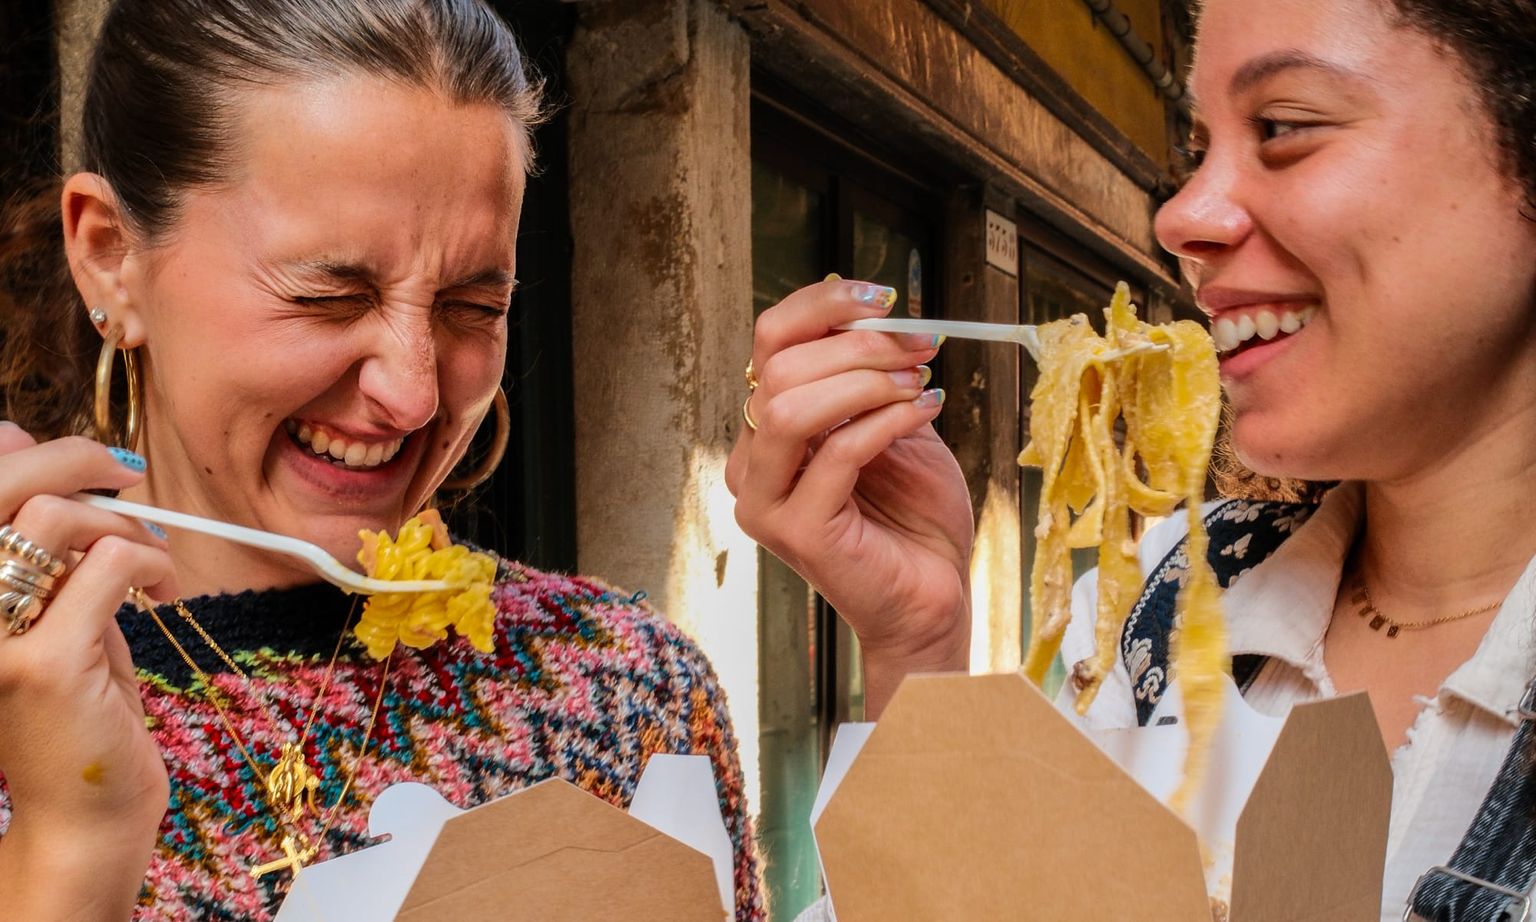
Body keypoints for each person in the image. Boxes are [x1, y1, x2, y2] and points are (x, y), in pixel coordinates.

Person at [731, 0, 1536, 917]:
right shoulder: (1156, 602)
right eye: (1198, 153)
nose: (1181, 218)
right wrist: (917, 644)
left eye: (1283, 127)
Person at [0, 1, 763, 919]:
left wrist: (911, 656)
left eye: (473, 306)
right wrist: (69, 851)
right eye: (329, 294)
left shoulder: (621, 684)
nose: (416, 393)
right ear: (111, 256)